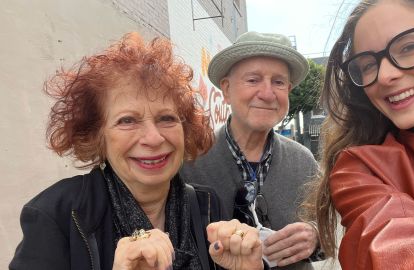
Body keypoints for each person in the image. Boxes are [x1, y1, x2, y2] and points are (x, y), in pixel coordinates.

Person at [9, 32, 264, 270]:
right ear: (98, 135)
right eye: (127, 120)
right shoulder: (56, 215)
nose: (153, 138)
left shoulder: (206, 205)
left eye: (166, 118)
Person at [309, 0, 414, 269]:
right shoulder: (361, 170)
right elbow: (400, 249)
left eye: (409, 47)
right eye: (367, 65)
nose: (385, 75)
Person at [180, 31, 322, 270]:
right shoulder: (191, 163)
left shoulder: (303, 161)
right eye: (253, 80)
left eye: (278, 82)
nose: (267, 94)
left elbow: (329, 225)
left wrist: (315, 237)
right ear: (226, 89)